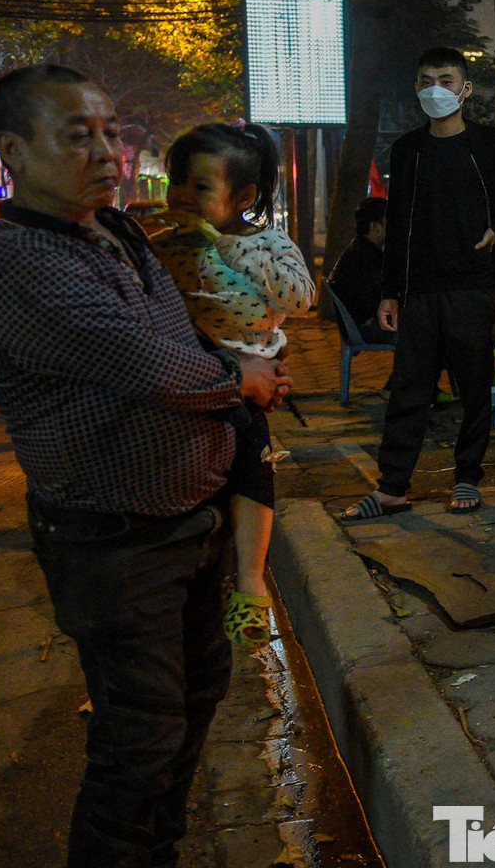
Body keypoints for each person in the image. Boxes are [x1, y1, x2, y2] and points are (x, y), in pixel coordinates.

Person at [0, 64, 290, 867]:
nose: (108, 151)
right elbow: (150, 366)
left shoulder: (114, 230)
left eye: (111, 131)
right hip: (117, 546)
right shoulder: (24, 264)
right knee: (138, 745)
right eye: (80, 135)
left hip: (188, 526)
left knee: (187, 715)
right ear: (12, 149)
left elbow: (180, 336)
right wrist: (239, 378)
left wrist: (234, 362)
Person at [342, 46, 495, 519]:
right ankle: (392, 489)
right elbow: (397, 224)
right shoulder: (407, 151)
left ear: (465, 90)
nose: (436, 89)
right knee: (408, 390)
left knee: (473, 386)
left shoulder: (492, 144)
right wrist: (389, 290)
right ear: (416, 89)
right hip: (418, 290)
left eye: (446, 80)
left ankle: (467, 477)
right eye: (426, 81)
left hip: (473, 287)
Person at [150, 121, 315, 649]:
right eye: (178, 182)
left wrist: (225, 245)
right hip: (194, 380)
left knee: (252, 465)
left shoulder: (267, 244)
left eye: (201, 187)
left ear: (243, 196)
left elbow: (300, 298)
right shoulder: (166, 247)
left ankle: (249, 584)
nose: (183, 196)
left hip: (250, 384)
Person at [328, 196, 395, 344]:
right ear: (375, 228)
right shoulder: (365, 257)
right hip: (365, 328)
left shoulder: (360, 251)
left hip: (359, 325)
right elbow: (376, 302)